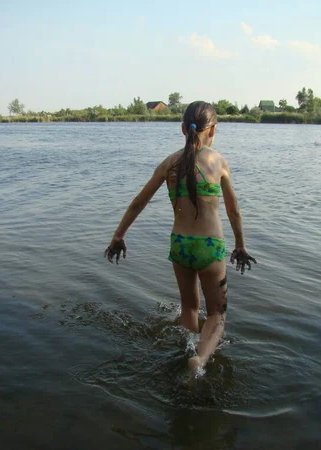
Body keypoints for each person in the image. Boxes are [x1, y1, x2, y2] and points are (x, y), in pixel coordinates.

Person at [104, 101, 256, 373]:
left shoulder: (169, 163)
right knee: (216, 314)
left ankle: (186, 349)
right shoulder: (218, 161)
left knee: (189, 307)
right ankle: (200, 359)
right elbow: (234, 210)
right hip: (210, 247)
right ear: (213, 130)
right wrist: (241, 245)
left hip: (180, 245)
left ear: (183, 128)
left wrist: (118, 235)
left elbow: (139, 202)